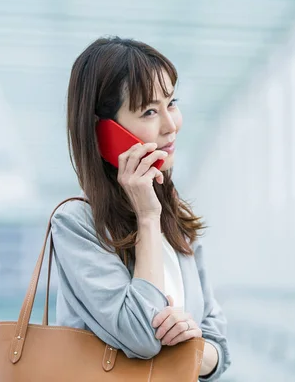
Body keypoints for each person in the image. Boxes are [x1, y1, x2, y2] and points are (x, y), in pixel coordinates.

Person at [50, 36, 231, 381]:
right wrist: (147, 218)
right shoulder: (76, 225)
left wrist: (191, 343)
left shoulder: (176, 219)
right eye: (149, 111)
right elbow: (142, 336)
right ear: (104, 132)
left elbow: (219, 350)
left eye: (171, 103)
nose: (171, 124)